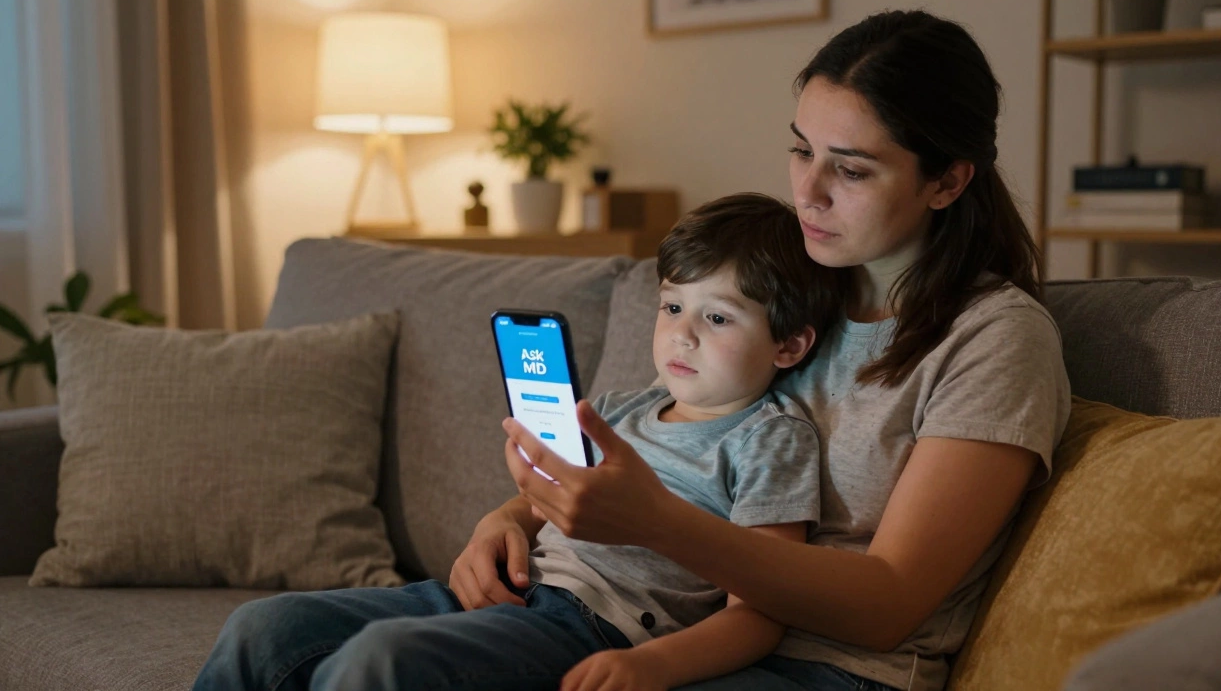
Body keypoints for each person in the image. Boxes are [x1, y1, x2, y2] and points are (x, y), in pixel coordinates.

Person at [494, 9, 1072, 691]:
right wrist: (507, 521)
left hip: (832, 669)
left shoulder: (995, 338)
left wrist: (659, 524)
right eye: (802, 151)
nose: (807, 194)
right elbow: (664, 447)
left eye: (850, 170)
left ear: (946, 181)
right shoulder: (782, 288)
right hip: (676, 634)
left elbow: (888, 603)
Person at [191, 193, 851, 691]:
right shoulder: (618, 409)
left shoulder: (771, 439)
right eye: (673, 307)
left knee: (381, 661)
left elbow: (762, 610)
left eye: (718, 317)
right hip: (505, 590)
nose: (683, 334)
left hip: (591, 626)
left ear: (789, 345)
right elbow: (547, 501)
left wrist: (652, 666)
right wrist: (502, 519)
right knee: (263, 628)